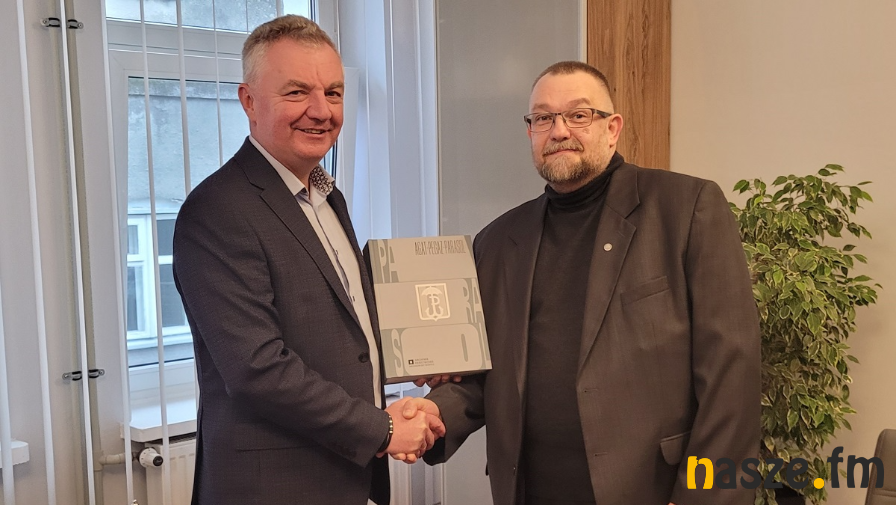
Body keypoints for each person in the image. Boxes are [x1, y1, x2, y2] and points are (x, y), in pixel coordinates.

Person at [416, 61, 761, 505]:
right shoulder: (497, 241)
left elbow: (731, 374)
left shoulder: (685, 208)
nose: (559, 131)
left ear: (612, 128)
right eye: (543, 118)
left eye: (578, 115)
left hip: (651, 490)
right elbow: (487, 374)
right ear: (530, 133)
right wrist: (432, 413)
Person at [173, 15, 442, 505]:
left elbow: (341, 330)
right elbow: (258, 369)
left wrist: (424, 355)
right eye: (297, 92)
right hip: (272, 488)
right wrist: (382, 429)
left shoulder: (327, 197)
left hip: (343, 477)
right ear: (248, 101)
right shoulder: (217, 210)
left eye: (333, 93)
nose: (321, 111)